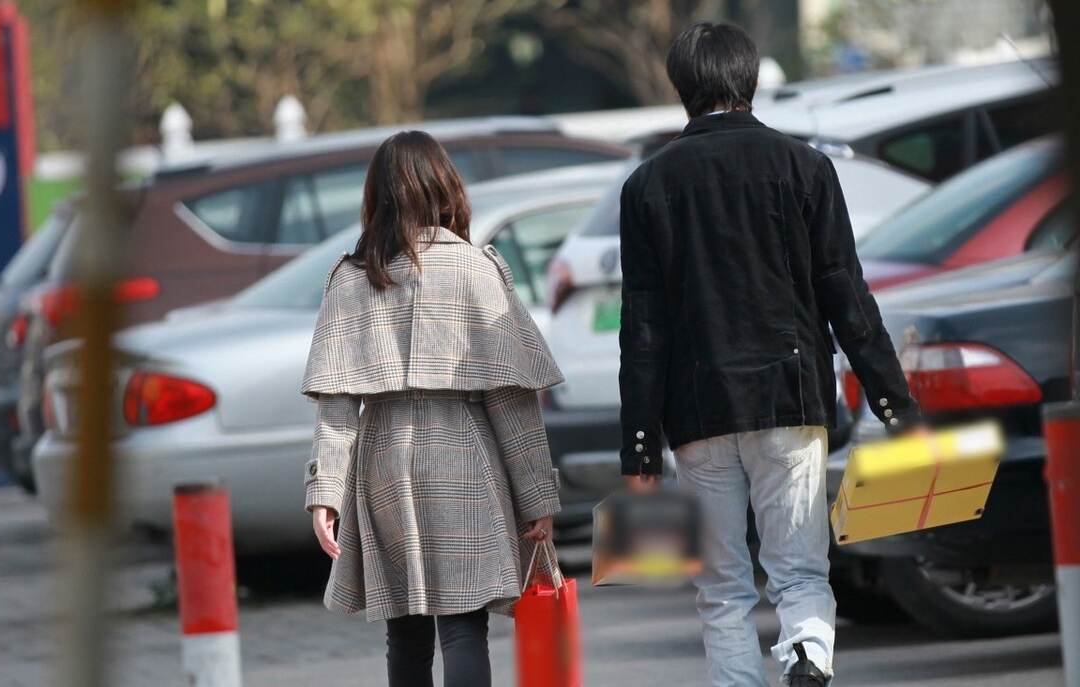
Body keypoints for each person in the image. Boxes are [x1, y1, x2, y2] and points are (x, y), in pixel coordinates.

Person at [617, 23, 922, 687]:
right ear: (749, 79)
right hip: (790, 397)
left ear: (682, 86)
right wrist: (895, 405)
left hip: (697, 411)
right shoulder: (804, 167)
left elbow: (643, 328)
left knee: (722, 586)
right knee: (799, 569)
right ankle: (808, 655)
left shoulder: (646, 185)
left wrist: (639, 450)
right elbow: (847, 295)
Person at [302, 130, 563, 687]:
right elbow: (510, 397)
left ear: (378, 194)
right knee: (464, 627)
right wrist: (537, 496)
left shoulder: (352, 277)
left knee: (405, 631)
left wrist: (325, 493)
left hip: (384, 459)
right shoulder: (476, 268)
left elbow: (337, 403)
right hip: (464, 449)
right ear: (445, 187)